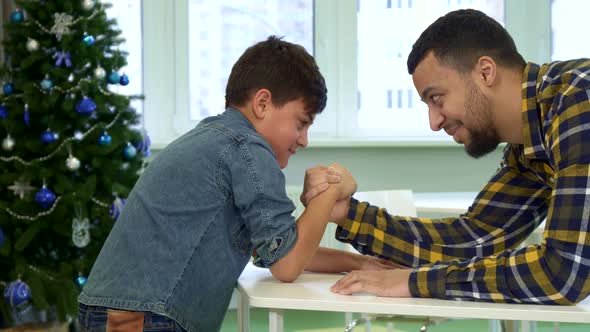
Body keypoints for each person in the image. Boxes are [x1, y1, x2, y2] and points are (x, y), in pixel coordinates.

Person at [78, 36, 394, 332]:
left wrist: (361, 263)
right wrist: (331, 190)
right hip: (144, 315)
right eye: (301, 123)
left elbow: (279, 250)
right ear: (262, 104)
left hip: (126, 308)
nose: (304, 140)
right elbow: (287, 265)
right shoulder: (247, 149)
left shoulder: (217, 139)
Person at [303, 9, 590, 305]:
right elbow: (474, 239)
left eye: (436, 98)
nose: (434, 122)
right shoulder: (532, 139)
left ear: (485, 72)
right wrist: (348, 214)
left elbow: (563, 273)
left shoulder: (579, 101)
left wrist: (416, 283)